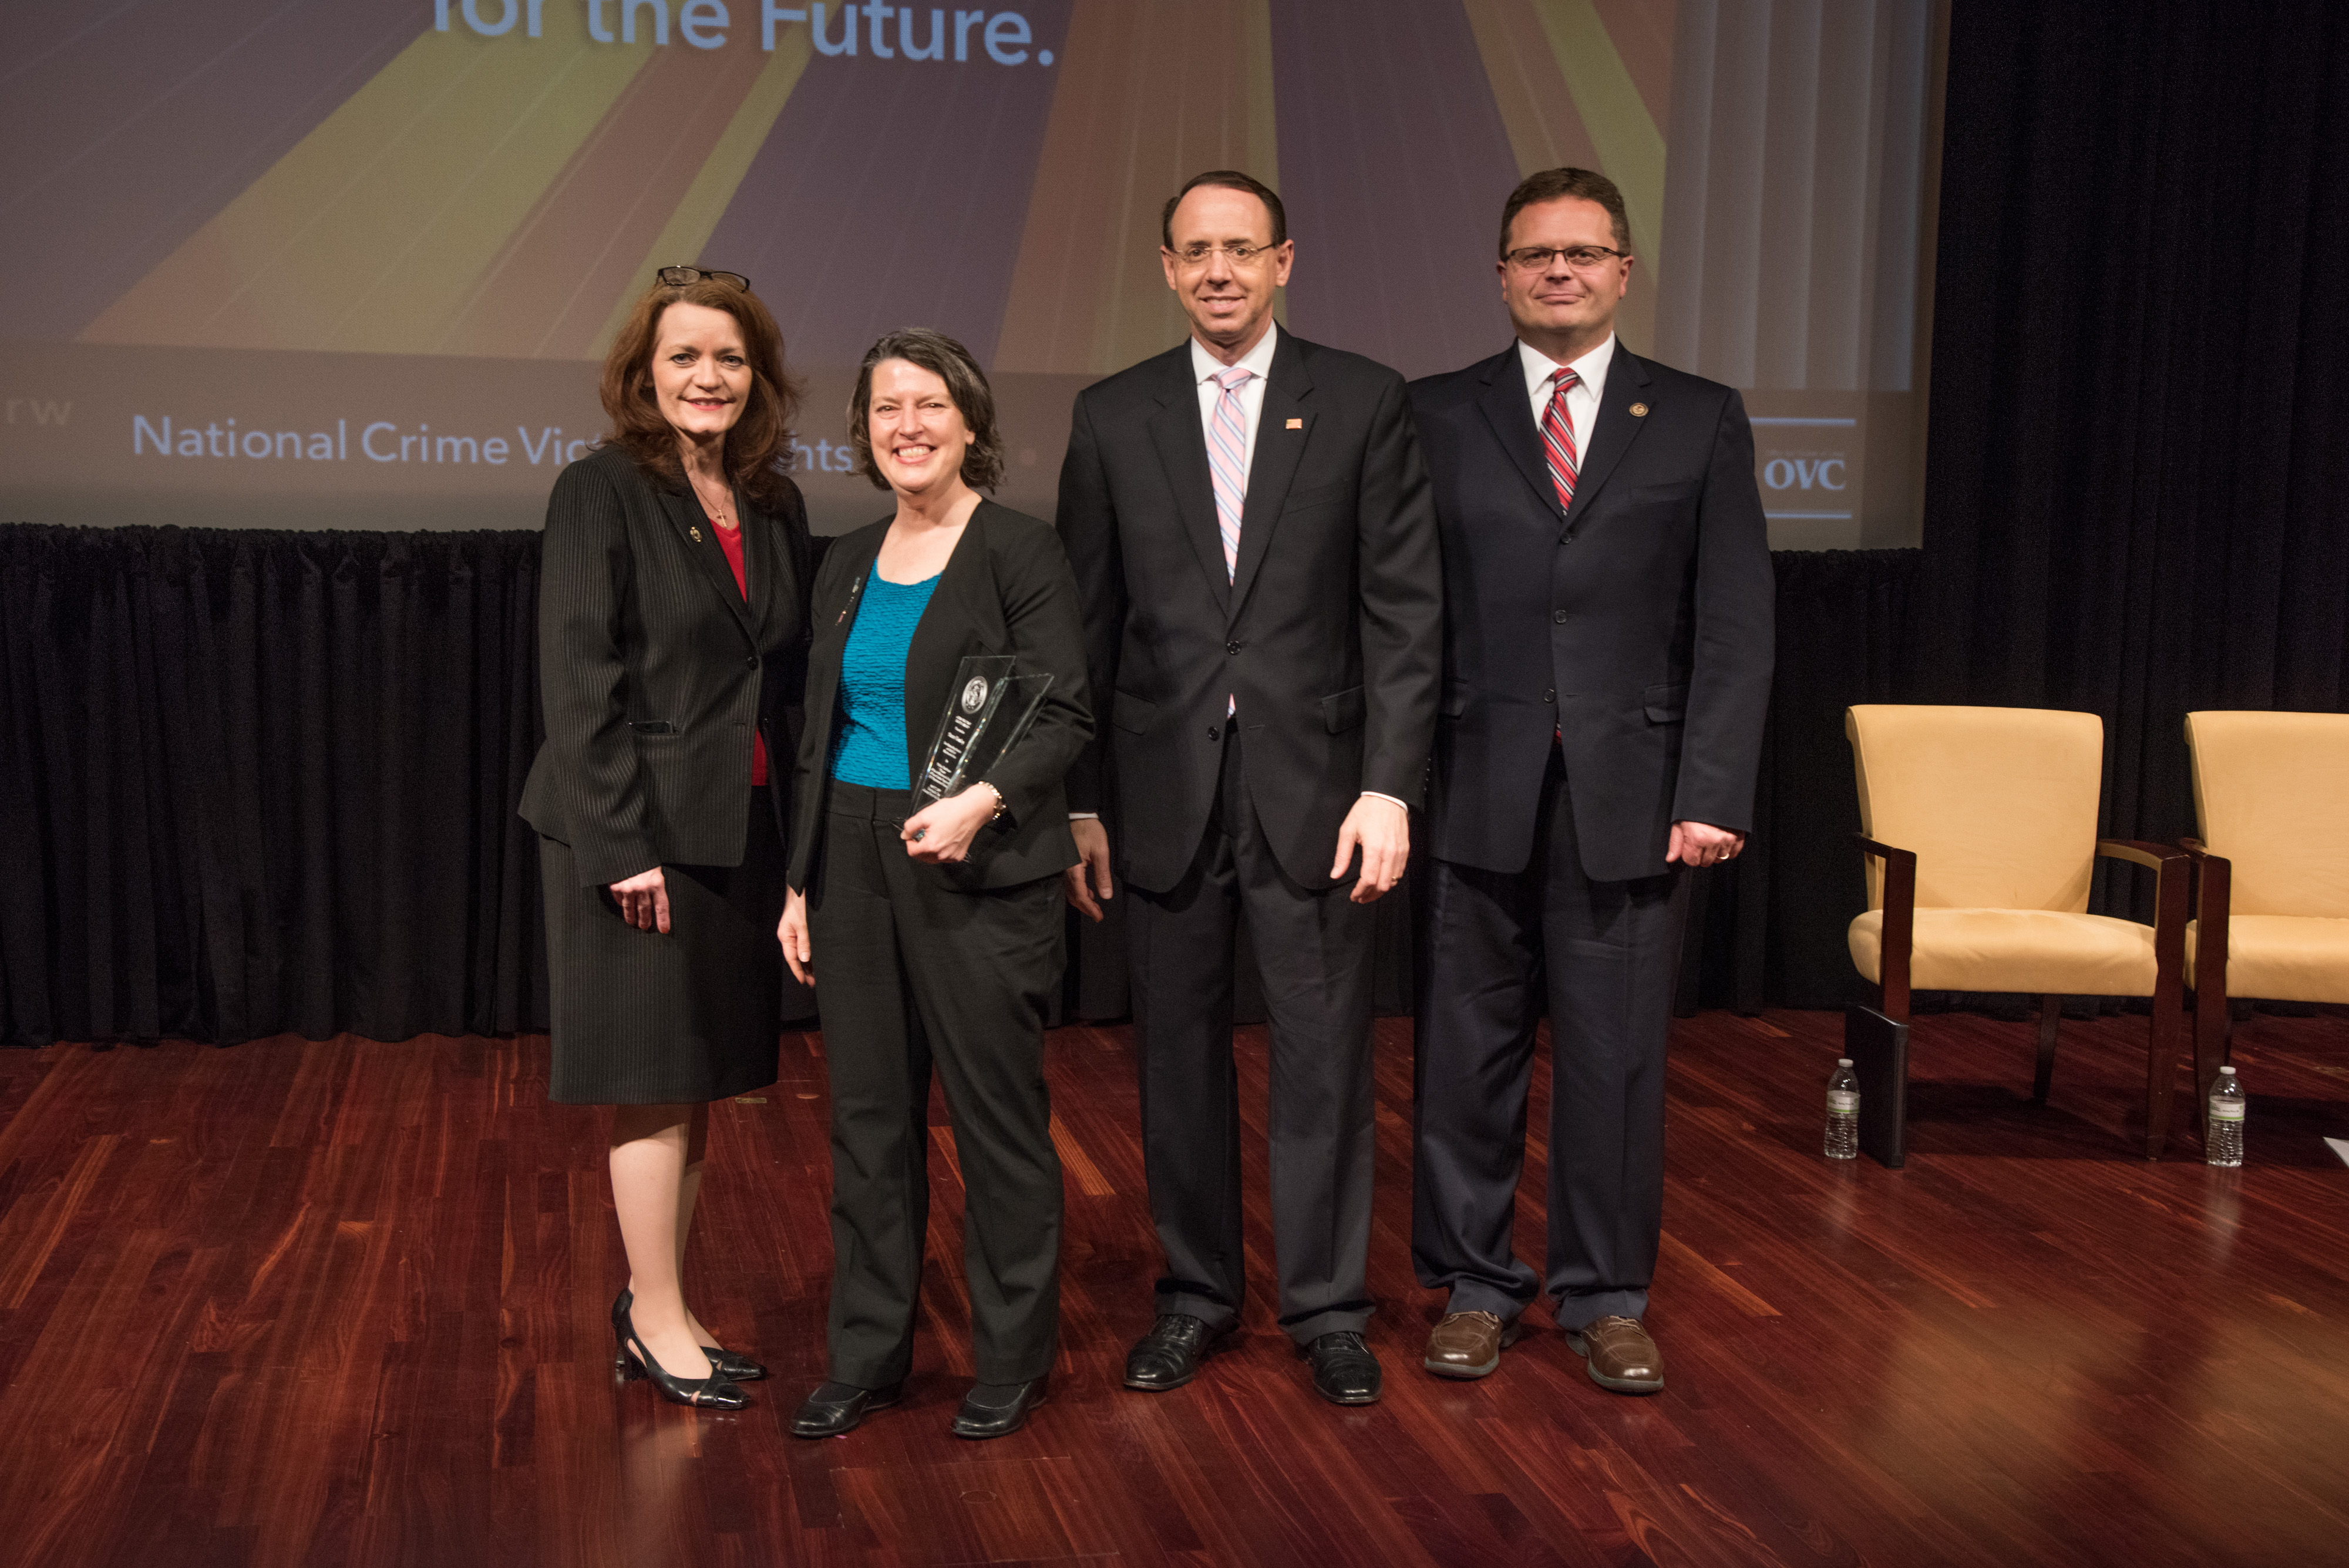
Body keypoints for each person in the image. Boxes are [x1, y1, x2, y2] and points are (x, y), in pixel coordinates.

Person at [1056, 170, 1443, 1407]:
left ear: (1284, 261)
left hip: (1320, 797)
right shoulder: (1112, 415)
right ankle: (1195, 1296)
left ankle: (1327, 1309)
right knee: (1175, 1060)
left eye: (1240, 249)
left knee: (1325, 1058)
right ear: (1164, 270)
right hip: (1162, 794)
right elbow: (1086, 626)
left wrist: (1388, 787)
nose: (1217, 270)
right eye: (1193, 252)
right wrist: (1077, 800)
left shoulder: (1364, 401)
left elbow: (1402, 614)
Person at [1406, 169, 1774, 1394]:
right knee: (1466, 1053)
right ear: (1500, 274)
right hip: (1471, 783)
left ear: (1622, 270)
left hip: (1634, 792)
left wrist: (1712, 786)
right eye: (1533, 254)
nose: (1557, 272)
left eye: (1581, 253)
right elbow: (1400, 618)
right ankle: (1472, 1284)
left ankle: (1605, 1294)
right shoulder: (1433, 414)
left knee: (1616, 1059)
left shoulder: (1697, 414)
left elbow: (1732, 622)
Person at [780, 328, 1092, 1442]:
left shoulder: (1017, 549)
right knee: (869, 1121)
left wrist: (982, 800)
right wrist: (800, 880)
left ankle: (1012, 1357)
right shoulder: (849, 559)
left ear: (970, 423)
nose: (906, 425)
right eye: (884, 409)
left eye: (929, 405)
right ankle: (867, 1354)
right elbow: (821, 730)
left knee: (999, 1120)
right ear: (864, 435)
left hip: (978, 860)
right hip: (852, 857)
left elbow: (1062, 709)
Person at [519, 265, 814, 1410]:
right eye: (685, 357)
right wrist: (617, 846)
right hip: (633, 838)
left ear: (759, 377)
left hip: (736, 826)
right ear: (645, 373)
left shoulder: (774, 503)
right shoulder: (600, 491)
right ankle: (649, 1316)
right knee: (649, 1082)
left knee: (697, 1084)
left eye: (730, 359)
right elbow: (577, 676)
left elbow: (778, 677)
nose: (709, 377)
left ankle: (668, 1305)